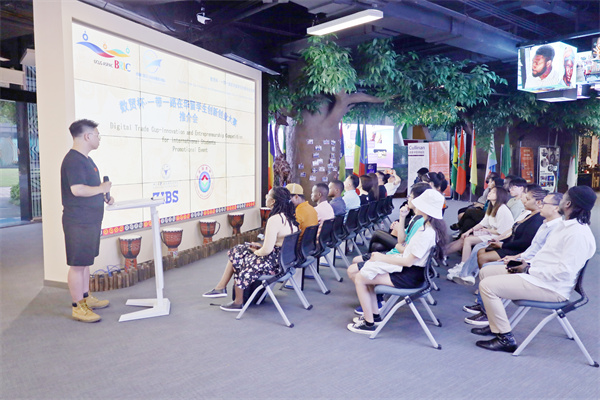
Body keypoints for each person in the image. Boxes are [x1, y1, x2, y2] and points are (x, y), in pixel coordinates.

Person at [473, 186, 596, 352]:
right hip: (538, 276)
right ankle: (496, 323)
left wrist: (528, 270)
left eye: (563, 197)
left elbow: (563, 272)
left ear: (568, 204)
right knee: (486, 272)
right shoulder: (564, 226)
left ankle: (505, 338)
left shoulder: (578, 235)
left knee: (488, 286)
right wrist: (524, 263)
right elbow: (545, 255)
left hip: (551, 287)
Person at [345, 189, 447, 334]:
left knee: (361, 278)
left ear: (425, 208)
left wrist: (381, 257)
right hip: (413, 273)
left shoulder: (425, 233)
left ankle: (369, 324)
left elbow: (408, 262)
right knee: (367, 276)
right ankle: (374, 317)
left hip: (409, 276)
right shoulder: (428, 228)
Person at [461, 192, 563, 318]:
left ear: (556, 208)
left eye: (544, 203)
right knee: (485, 264)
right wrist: (516, 257)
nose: (541, 205)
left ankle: (488, 312)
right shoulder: (545, 224)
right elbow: (532, 249)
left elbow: (541, 255)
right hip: (525, 260)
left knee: (487, 270)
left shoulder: (556, 228)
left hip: (533, 270)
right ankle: (485, 306)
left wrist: (521, 261)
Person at [202, 187, 300, 311]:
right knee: (239, 249)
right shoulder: (289, 217)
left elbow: (266, 251)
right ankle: (221, 288)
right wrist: (260, 247)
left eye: (268, 195)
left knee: (242, 260)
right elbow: (279, 244)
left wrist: (256, 251)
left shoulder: (274, 220)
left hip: (274, 264)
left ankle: (237, 302)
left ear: (273, 201)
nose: (266, 197)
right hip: (283, 260)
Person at [61, 119, 113, 323]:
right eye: (97, 135)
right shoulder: (73, 160)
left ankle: (85, 297)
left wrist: (103, 195)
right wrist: (101, 189)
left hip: (89, 220)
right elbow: (77, 189)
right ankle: (78, 306)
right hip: (78, 222)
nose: (99, 138)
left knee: (85, 262)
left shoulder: (87, 160)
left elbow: (88, 189)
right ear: (87, 136)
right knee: (77, 264)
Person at [452, 187, 547, 288]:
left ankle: (477, 279)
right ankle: (470, 274)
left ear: (538, 202)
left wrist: (502, 244)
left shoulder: (536, 220)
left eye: (527, 199)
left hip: (514, 249)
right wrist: (500, 241)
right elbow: (512, 231)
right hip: (508, 243)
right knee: (478, 247)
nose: (524, 200)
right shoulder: (527, 214)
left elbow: (523, 242)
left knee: (482, 254)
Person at [446, 186, 513, 273]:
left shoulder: (502, 209)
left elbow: (502, 232)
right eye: (490, 191)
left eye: (493, 192)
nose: (489, 193)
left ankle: (463, 265)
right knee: (465, 236)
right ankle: (451, 257)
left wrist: (487, 231)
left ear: (499, 196)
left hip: (500, 237)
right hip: (492, 233)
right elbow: (483, 223)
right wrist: (469, 231)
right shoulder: (492, 207)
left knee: (468, 240)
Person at [366, 183, 430, 254]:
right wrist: (402, 217)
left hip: (401, 253)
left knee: (376, 233)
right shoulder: (417, 217)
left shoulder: (419, 221)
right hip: (401, 249)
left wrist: (399, 228)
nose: (408, 199)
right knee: (375, 245)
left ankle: (368, 258)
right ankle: (368, 258)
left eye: (410, 196)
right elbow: (404, 239)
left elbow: (405, 245)